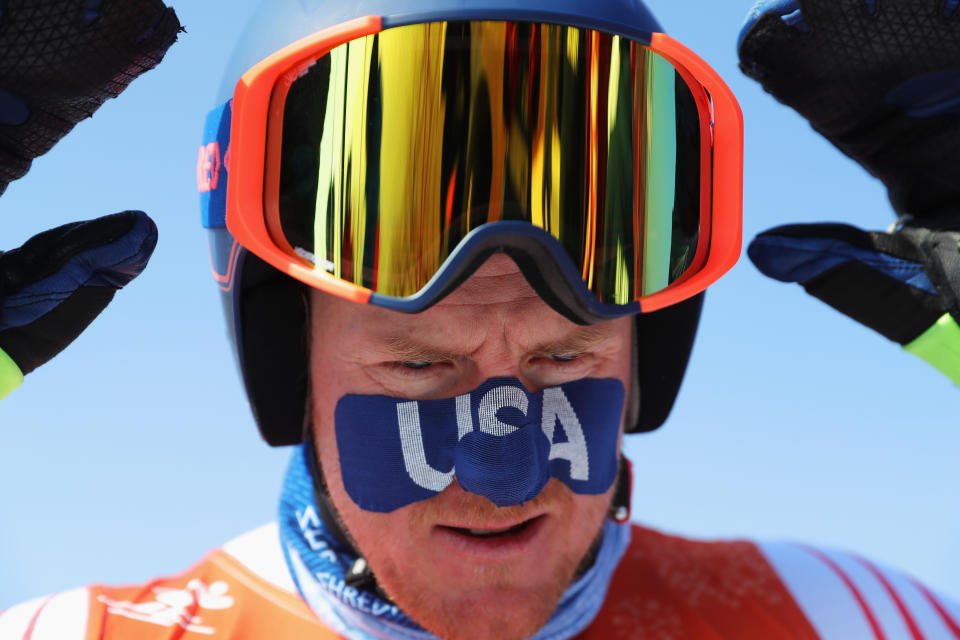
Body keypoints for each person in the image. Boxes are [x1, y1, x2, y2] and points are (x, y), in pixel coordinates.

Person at [1, 0, 959, 639]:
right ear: (292, 365)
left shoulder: (849, 621)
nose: (504, 474)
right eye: (419, 368)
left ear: (641, 363)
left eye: (563, 361)